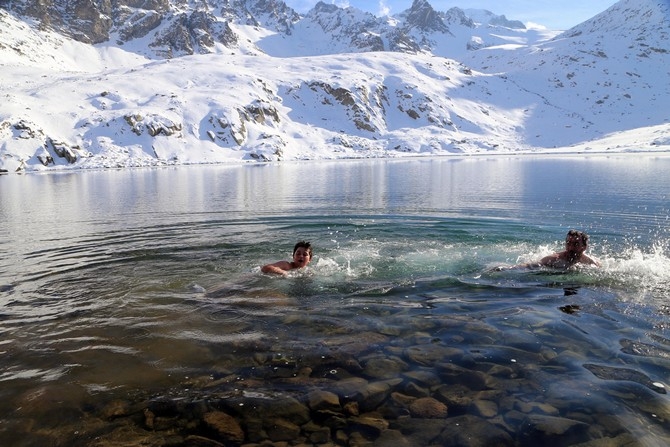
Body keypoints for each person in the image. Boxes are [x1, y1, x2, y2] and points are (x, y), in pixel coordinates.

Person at [522, 229, 600, 269]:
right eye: (568, 243)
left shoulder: (591, 263)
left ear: (584, 247)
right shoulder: (554, 259)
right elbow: (530, 266)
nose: (571, 247)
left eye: (576, 244)